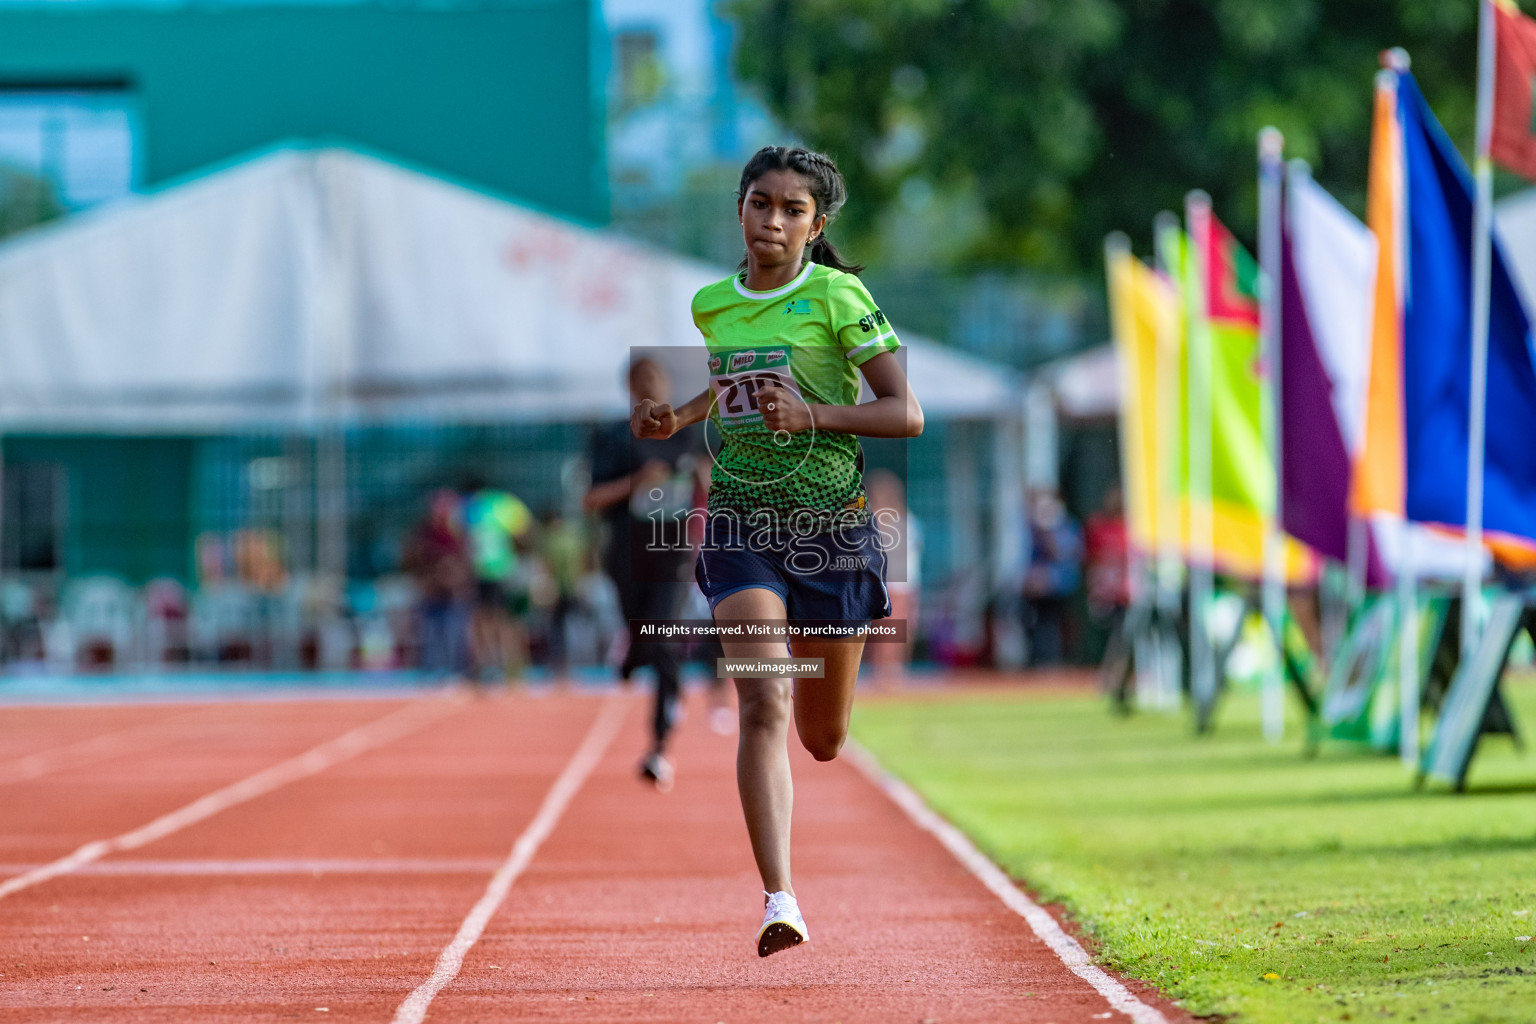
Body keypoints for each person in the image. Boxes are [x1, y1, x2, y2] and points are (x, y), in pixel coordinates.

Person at [630, 145, 923, 957]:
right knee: (764, 701)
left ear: (816, 224)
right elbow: (731, 386)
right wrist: (676, 418)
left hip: (831, 529)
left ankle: (788, 864)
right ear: (740, 209)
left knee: (822, 738)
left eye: (793, 210)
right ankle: (779, 899)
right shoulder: (712, 304)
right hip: (740, 526)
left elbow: (906, 414)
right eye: (761, 203)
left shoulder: (839, 295)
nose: (773, 220)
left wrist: (817, 417)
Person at [585, 357, 704, 791]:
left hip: (674, 552)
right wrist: (638, 481)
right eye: (644, 380)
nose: (652, 386)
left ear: (668, 382)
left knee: (665, 640)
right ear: (630, 386)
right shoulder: (615, 436)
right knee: (644, 635)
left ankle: (659, 747)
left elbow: (713, 482)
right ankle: (633, 651)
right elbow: (592, 499)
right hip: (627, 554)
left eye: (659, 377)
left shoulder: (689, 433)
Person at [461, 477, 535, 682]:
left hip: (483, 571)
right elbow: (526, 532)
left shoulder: (469, 505)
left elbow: (461, 538)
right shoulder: (506, 502)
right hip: (505, 569)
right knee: (507, 620)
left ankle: (489, 667)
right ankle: (512, 668)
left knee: (484, 621)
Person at [403, 489, 473, 678]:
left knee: (454, 633)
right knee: (431, 634)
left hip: (453, 591)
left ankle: (456, 671)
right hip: (432, 590)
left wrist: (455, 576)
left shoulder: (459, 533)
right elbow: (412, 558)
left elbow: (466, 561)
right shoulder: (425, 532)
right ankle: (432, 671)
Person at [1023, 489, 1082, 666]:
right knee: (1036, 624)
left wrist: (1045, 534)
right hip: (1037, 588)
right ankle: (1039, 660)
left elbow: (1066, 553)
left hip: (1061, 585)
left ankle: (1058, 660)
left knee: (1058, 624)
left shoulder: (1067, 526)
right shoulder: (1031, 528)